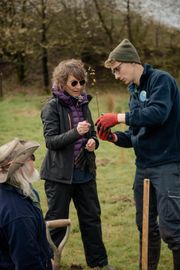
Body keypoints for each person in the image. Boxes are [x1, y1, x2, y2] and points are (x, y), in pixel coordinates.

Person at [96, 38, 180, 270]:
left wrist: (118, 117)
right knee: (145, 226)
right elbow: (136, 135)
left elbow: (158, 114)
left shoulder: (161, 81)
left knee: (172, 229)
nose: (116, 76)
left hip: (167, 165)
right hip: (143, 167)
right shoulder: (134, 92)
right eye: (112, 72)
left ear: (131, 62)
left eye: (117, 69)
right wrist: (114, 137)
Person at [40, 59, 114, 270]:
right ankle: (50, 264)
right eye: (75, 83)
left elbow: (91, 134)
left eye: (82, 82)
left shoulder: (83, 103)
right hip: (59, 177)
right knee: (56, 224)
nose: (80, 87)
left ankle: (99, 264)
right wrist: (76, 132)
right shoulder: (51, 107)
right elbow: (51, 141)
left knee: (92, 220)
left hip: (85, 173)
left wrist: (93, 142)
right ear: (63, 82)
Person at [0, 138, 53, 270]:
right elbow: (28, 261)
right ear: (20, 168)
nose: (35, 161)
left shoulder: (17, 192)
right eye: (32, 157)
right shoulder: (19, 214)